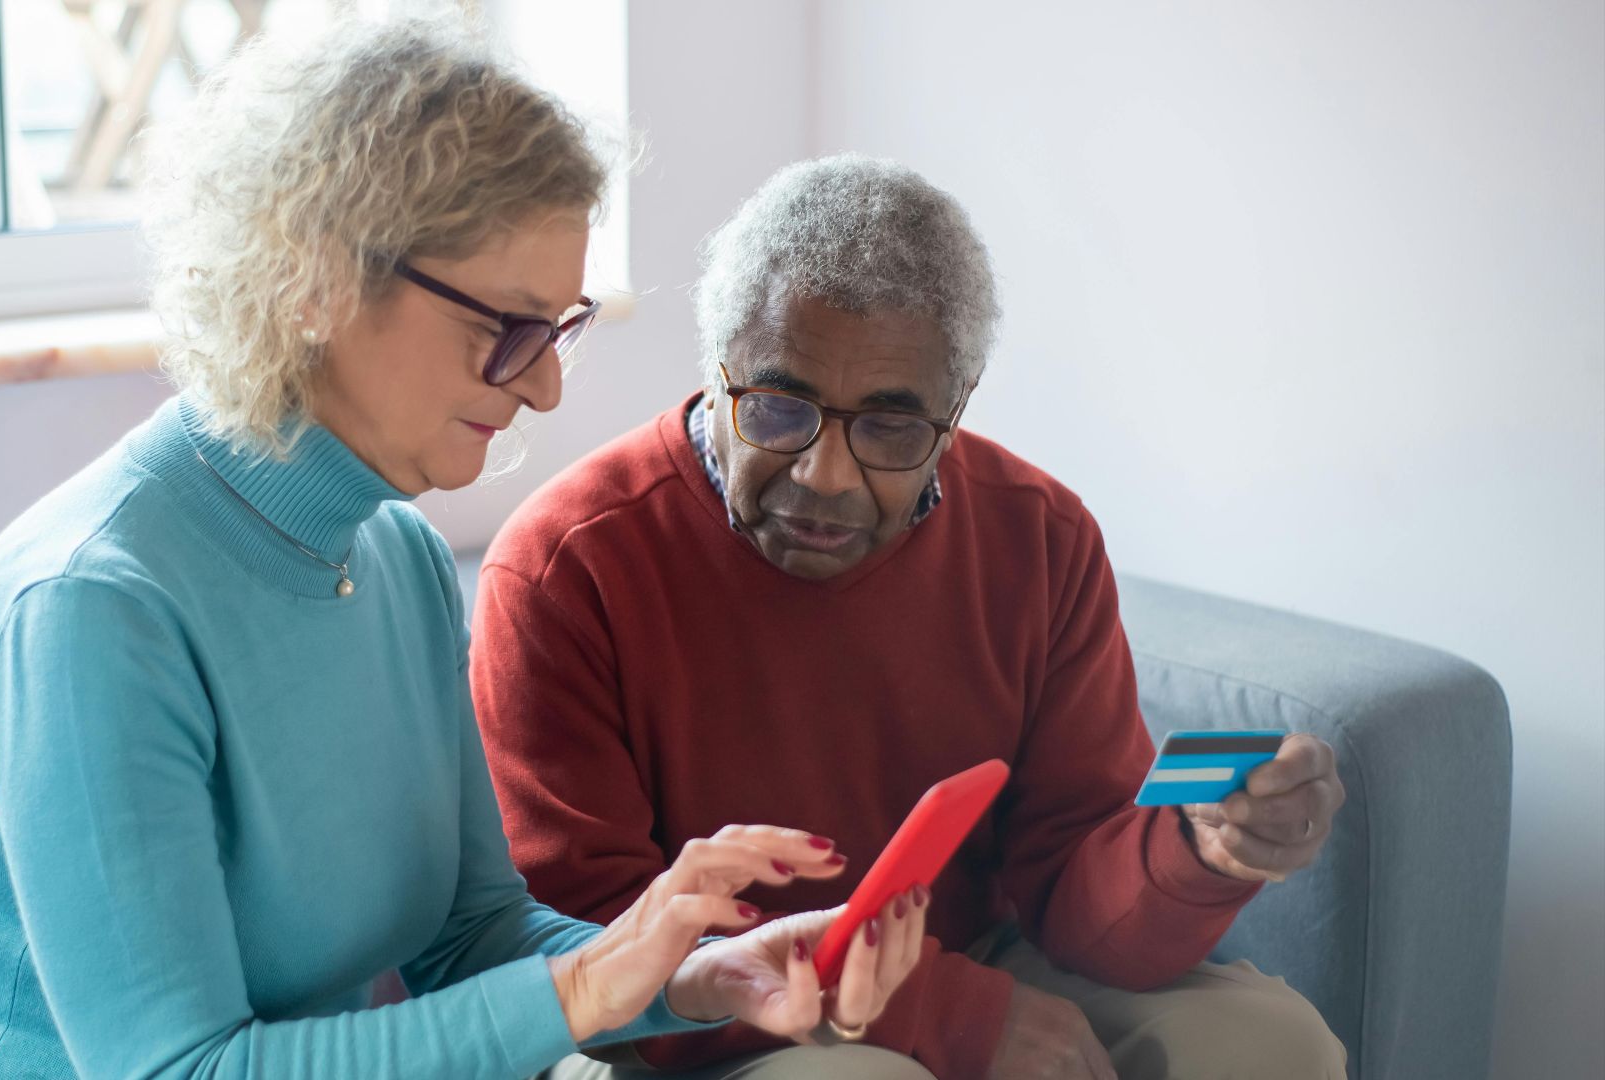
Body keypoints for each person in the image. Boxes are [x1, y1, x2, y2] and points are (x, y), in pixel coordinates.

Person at [0, 32, 926, 1080]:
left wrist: (702, 976)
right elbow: (177, 1070)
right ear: (311, 281)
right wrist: (580, 993)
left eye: (555, 329)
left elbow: (469, 935)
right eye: (505, 328)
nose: (542, 389)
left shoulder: (399, 559)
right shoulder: (91, 610)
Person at [472, 155, 1349, 1080]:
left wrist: (1196, 853)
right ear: (718, 375)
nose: (826, 476)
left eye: (892, 429)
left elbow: (1076, 889)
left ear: (955, 410)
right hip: (672, 1019)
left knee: (1270, 1044)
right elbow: (585, 945)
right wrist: (938, 1014)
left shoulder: (1038, 538)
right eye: (777, 409)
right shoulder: (567, 565)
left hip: (964, 955)